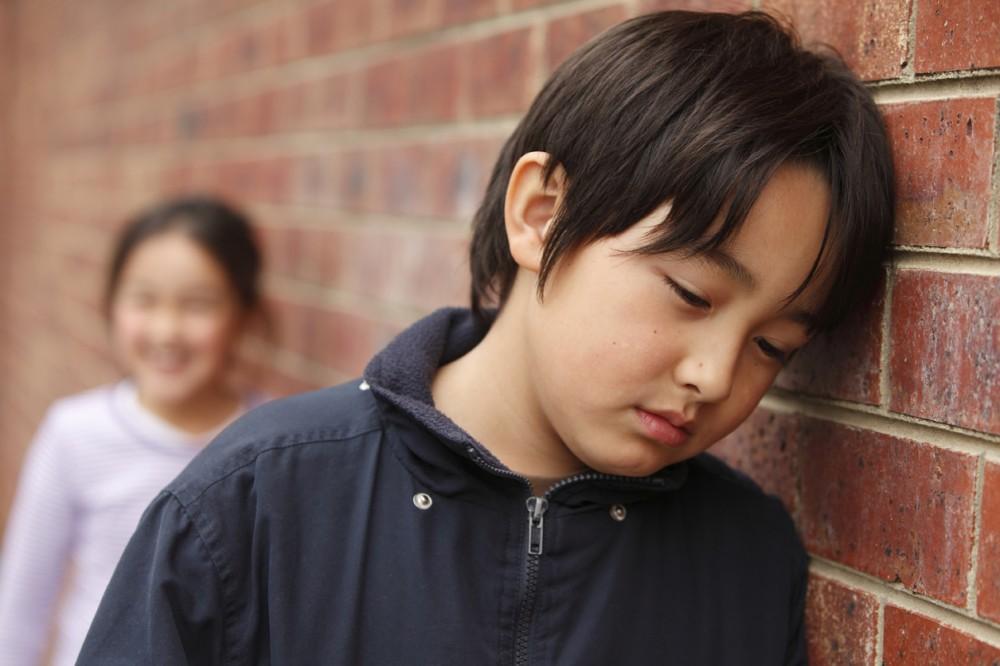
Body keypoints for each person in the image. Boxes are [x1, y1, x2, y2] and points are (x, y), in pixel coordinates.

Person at [79, 11, 894, 665]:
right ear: (540, 214)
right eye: (689, 293)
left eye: (772, 346)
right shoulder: (258, 503)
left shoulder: (745, 561)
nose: (715, 375)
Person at [0, 196, 268, 666]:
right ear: (111, 305)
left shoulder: (274, 444)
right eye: (144, 300)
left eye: (198, 305)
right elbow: (19, 609)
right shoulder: (74, 434)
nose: (167, 330)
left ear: (243, 314)